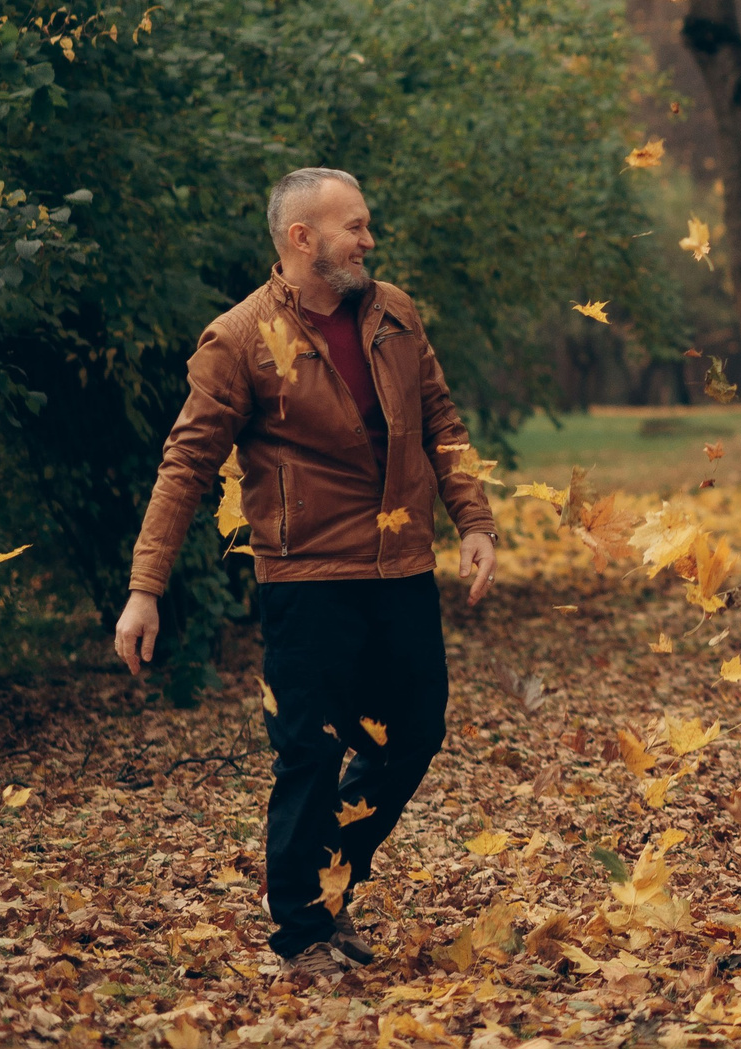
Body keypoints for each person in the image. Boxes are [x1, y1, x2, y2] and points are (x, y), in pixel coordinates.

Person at [112, 168, 500, 979]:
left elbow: (441, 419)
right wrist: (146, 587)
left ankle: (330, 882)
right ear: (302, 238)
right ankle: (300, 932)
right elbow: (186, 464)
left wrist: (474, 519)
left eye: (365, 225)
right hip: (306, 576)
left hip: (400, 565)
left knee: (413, 733)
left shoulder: (394, 312)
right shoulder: (240, 338)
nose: (367, 240)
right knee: (310, 752)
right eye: (353, 226)